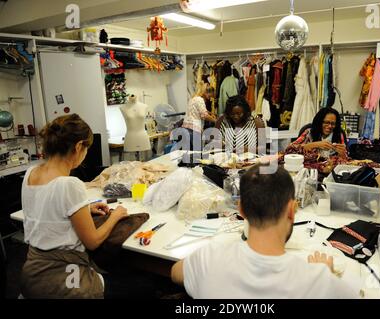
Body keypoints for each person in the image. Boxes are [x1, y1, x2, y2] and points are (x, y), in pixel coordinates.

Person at [171, 164, 359, 299]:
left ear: (241, 210)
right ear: (292, 210)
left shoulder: (208, 257)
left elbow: (176, 272)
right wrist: (324, 275)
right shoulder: (318, 282)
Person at [20, 114, 129, 298]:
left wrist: (83, 209)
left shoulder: (31, 173)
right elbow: (92, 242)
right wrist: (115, 215)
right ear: (79, 147)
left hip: (31, 274)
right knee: (137, 286)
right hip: (61, 280)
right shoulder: (70, 184)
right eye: (86, 148)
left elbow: (48, 208)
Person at [181, 84, 217, 151]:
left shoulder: (193, 98)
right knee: (198, 153)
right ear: (206, 92)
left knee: (189, 152)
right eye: (210, 96)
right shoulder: (200, 100)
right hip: (194, 130)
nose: (209, 98)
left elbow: (199, 111)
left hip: (186, 128)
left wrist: (210, 113)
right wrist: (216, 121)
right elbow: (204, 115)